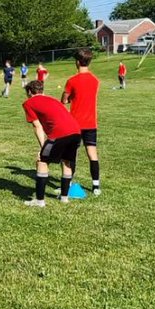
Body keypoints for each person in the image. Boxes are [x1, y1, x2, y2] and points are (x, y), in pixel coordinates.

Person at [21, 79, 82, 207]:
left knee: (42, 161)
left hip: (59, 133)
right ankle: (64, 198)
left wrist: (43, 147)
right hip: (76, 132)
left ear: (30, 92)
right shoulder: (52, 99)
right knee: (66, 162)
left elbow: (37, 126)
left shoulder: (28, 103)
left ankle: (39, 201)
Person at [62, 48, 102, 195]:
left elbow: (64, 100)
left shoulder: (72, 81)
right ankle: (96, 186)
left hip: (75, 123)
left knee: (72, 154)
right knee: (92, 154)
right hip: (91, 123)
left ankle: (69, 182)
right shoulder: (95, 80)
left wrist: (68, 97)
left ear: (77, 62)